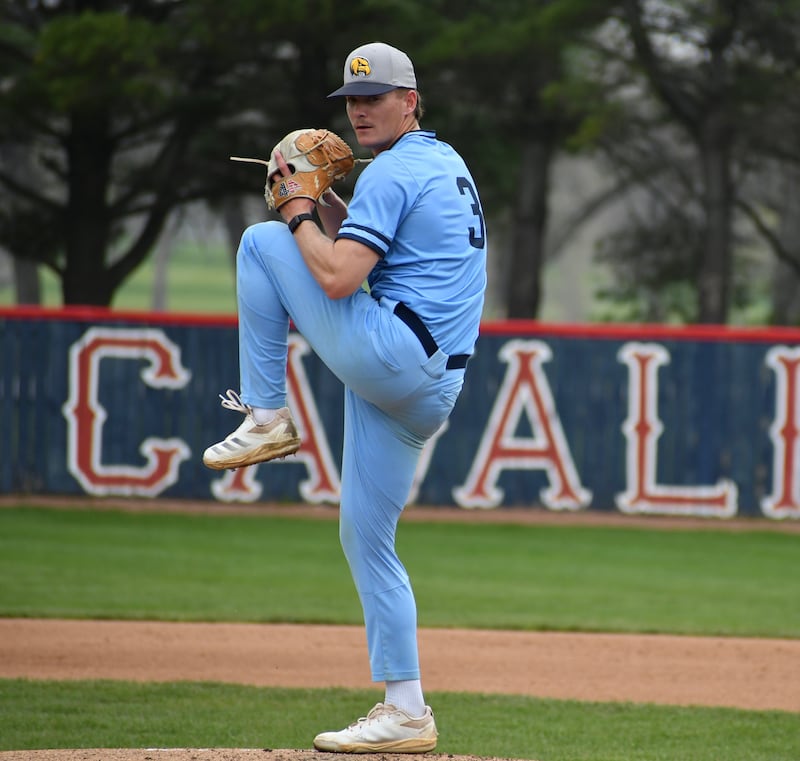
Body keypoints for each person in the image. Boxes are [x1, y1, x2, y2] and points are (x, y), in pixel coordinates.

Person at [203, 41, 487, 753]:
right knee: (366, 536)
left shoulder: (392, 170)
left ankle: (267, 415)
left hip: (394, 351)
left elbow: (335, 279)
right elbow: (373, 252)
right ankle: (407, 710)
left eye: (374, 97)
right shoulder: (442, 162)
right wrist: (329, 203)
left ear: (409, 101)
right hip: (429, 384)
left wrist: (299, 208)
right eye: (352, 100)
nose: (359, 110)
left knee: (261, 243)